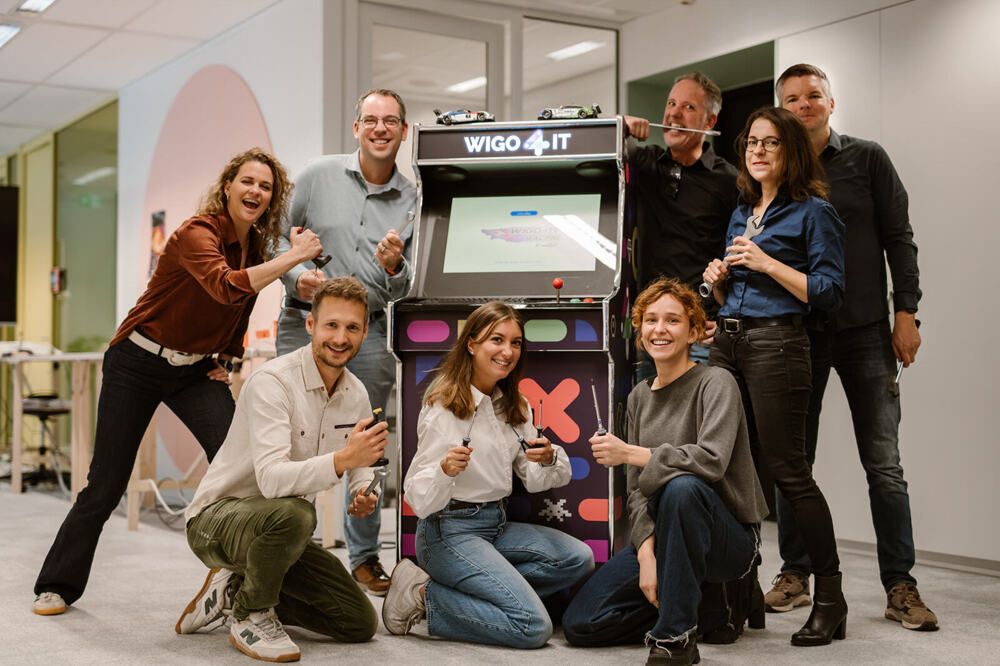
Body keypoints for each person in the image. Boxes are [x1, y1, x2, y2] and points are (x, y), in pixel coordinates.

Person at [31, 148, 321, 616]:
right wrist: (294, 258)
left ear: (272, 198)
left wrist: (227, 358)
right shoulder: (196, 233)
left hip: (194, 370)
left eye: (266, 187)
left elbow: (240, 308)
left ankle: (244, 582)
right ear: (227, 186)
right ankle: (56, 586)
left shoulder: (253, 248)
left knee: (242, 465)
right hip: (136, 361)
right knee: (105, 485)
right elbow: (226, 286)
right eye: (247, 181)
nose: (255, 191)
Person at [770, 63, 936, 631]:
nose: (804, 105)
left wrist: (906, 313)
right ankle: (795, 574)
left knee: (884, 465)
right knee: (794, 461)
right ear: (782, 109)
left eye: (813, 95)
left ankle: (900, 586)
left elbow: (899, 238)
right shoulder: (778, 170)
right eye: (793, 99)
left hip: (866, 330)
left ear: (831, 103)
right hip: (799, 333)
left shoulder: (868, 159)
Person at [174, 277, 385, 662]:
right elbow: (272, 482)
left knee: (357, 622)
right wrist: (342, 461)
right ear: (311, 325)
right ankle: (250, 614)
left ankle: (232, 591)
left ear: (365, 332)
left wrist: (362, 490)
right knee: (296, 512)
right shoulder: (272, 382)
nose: (341, 338)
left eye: (352, 327)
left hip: (283, 532)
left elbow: (361, 461)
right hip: (215, 521)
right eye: (331, 325)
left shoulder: (356, 392)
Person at [562, 278, 768, 666]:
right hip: (662, 534)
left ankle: (676, 637)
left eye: (673, 320)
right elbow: (638, 492)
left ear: (694, 332)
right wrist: (646, 556)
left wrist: (630, 453)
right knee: (581, 624)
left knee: (682, 487)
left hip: (727, 539)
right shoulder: (640, 396)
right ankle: (700, 605)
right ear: (640, 332)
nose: (660, 329)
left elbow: (711, 460)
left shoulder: (717, 382)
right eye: (651, 320)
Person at [701, 106, 848, 646]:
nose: (758, 151)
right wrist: (718, 281)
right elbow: (732, 294)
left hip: (778, 344)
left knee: (788, 472)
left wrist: (766, 263)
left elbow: (829, 292)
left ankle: (830, 598)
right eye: (751, 143)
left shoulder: (814, 212)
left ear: (792, 151)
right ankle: (737, 591)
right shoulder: (743, 211)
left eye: (771, 143)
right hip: (727, 343)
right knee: (723, 467)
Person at [380, 301, 594, 649]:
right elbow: (418, 500)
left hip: (495, 524)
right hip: (447, 531)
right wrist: (444, 471)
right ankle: (420, 595)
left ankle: (481, 598)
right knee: (532, 627)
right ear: (471, 344)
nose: (508, 351)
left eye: (515, 342)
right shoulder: (444, 406)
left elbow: (534, 480)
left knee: (578, 559)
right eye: (497, 339)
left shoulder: (515, 404)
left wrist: (548, 457)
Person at [274, 88, 416, 596]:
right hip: (303, 323)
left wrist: (395, 267)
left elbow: (408, 283)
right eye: (371, 120)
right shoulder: (316, 176)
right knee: (293, 437)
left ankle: (365, 556)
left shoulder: (413, 199)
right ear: (356, 128)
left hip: (370, 333)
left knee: (369, 439)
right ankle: (286, 549)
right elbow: (275, 238)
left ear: (403, 131)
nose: (380, 128)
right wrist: (297, 278)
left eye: (391, 121)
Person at [624, 72, 737, 371]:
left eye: (688, 107)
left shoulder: (729, 180)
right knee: (650, 404)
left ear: (709, 122)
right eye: (671, 103)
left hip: (700, 334)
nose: (674, 113)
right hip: (651, 331)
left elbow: (742, 257)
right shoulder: (644, 163)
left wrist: (727, 316)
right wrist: (620, 124)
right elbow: (585, 135)